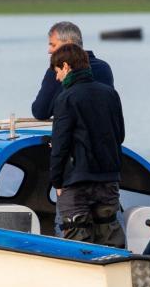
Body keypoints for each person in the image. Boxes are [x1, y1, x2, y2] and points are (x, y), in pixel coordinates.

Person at [48, 43, 126, 248]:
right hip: (108, 180)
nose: (57, 78)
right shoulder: (110, 94)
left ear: (65, 66)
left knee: (77, 242)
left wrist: (57, 181)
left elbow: (60, 145)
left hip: (76, 183)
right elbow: (121, 135)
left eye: (57, 72)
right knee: (110, 238)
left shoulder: (66, 98)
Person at [31, 21, 114, 120]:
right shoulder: (104, 67)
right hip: (104, 132)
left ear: (69, 44)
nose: (49, 50)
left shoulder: (59, 70)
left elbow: (40, 111)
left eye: (53, 45)